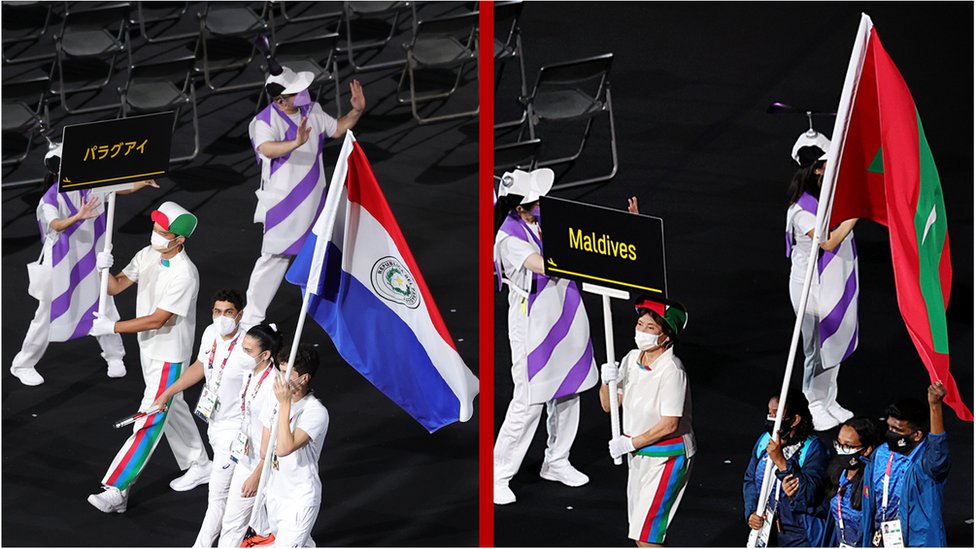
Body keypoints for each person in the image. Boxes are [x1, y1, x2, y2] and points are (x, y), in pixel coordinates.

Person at [87, 201, 212, 513]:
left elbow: (159, 319)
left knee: (151, 416)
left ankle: (117, 488)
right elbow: (116, 287)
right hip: (148, 349)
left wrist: (112, 326)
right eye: (155, 229)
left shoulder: (186, 274)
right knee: (174, 406)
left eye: (163, 232)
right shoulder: (147, 254)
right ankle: (200, 462)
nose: (156, 235)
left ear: (179, 240)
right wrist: (101, 267)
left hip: (170, 356)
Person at [10, 143, 158, 386]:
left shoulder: (92, 186)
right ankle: (22, 364)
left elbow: (120, 189)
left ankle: (114, 356)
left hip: (93, 261)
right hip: (60, 265)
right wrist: (79, 216)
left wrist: (141, 183)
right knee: (45, 316)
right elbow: (56, 225)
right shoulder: (49, 198)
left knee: (104, 307)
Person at [492, 168, 597, 505]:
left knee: (570, 390)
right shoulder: (507, 239)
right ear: (519, 207)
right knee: (528, 403)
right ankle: (498, 474)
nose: (542, 205)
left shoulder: (542, 222)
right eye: (536, 202)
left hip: (565, 312)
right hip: (533, 325)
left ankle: (557, 460)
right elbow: (544, 264)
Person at [242, 66, 366, 328]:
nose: (303, 94)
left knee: (323, 252)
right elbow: (267, 148)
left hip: (316, 200)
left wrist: (356, 111)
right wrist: (295, 143)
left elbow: (337, 129)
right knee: (274, 259)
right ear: (280, 100)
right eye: (296, 92)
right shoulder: (263, 121)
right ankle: (251, 320)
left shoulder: (314, 111)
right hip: (283, 205)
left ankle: (336, 310)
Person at [151, 288, 248, 547]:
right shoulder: (210, 333)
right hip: (215, 423)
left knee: (218, 497)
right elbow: (201, 366)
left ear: (240, 315)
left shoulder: (249, 346)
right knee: (241, 495)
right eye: (217, 311)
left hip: (237, 429)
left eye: (228, 312)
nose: (222, 317)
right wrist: (169, 392)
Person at [600, 297, 694, 547]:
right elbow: (609, 405)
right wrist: (606, 381)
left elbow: (670, 424)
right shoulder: (632, 358)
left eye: (650, 328)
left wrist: (630, 443)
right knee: (640, 531)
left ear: (666, 337)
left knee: (646, 536)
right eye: (640, 324)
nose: (641, 331)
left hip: (667, 457)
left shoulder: (672, 371)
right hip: (639, 454)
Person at [785, 130, 859, 431]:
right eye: (829, 162)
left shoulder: (828, 197)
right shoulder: (801, 210)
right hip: (809, 287)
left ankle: (829, 398)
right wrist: (855, 216)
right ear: (816, 168)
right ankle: (813, 403)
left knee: (836, 338)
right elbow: (827, 242)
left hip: (833, 280)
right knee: (816, 345)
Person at [861, 383, 950, 547]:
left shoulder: (925, 464)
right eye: (889, 427)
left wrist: (935, 406)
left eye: (897, 430)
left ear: (916, 435)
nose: (890, 434)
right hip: (881, 538)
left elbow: (938, 449)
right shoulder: (881, 454)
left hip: (916, 542)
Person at [218, 323, 283, 548]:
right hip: (246, 456)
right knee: (258, 523)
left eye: (248, 351)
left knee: (233, 523)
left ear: (265, 355)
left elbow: (274, 435)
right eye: (242, 347)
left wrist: (257, 474)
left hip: (261, 465)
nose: (242, 354)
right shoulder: (249, 373)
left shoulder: (274, 386)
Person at [259, 344, 329, 547]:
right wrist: (257, 476)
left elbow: (283, 448)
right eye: (281, 371)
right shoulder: (275, 400)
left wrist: (284, 403)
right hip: (275, 493)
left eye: (288, 373)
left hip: (300, 498)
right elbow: (266, 449)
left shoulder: (315, 412)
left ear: (304, 378)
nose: (281, 378)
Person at [743, 389, 832, 546]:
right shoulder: (765, 441)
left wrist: (780, 461)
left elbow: (807, 496)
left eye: (776, 413)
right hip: (767, 528)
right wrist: (751, 512)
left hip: (799, 532)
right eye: (769, 413)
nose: (770, 418)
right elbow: (750, 479)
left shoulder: (814, 449)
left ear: (795, 419)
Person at [827, 417, 881, 547]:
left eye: (848, 446)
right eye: (839, 444)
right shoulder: (837, 471)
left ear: (867, 450)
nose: (841, 449)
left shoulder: (873, 481)